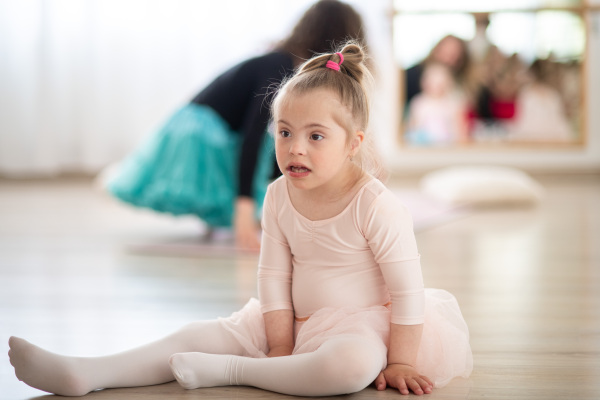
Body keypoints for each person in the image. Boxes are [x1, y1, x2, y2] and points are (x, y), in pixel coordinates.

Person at [9, 42, 472, 397]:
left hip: (360, 327)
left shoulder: (376, 204)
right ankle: (88, 372)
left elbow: (407, 290)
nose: (295, 148)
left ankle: (234, 373)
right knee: (199, 333)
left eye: (315, 136)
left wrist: (403, 362)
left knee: (349, 367)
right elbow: (273, 276)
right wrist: (278, 342)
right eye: (285, 132)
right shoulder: (278, 195)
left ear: (353, 142)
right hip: (288, 321)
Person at [104, 0, 366, 251]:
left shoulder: (286, 67)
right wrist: (244, 208)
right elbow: (252, 136)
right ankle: (238, 212)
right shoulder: (279, 66)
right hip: (199, 132)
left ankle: (234, 215)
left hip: (210, 127)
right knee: (270, 145)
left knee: (282, 142)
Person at [406, 62, 469, 145]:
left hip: (449, 148)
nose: (435, 86)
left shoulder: (453, 104)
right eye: (432, 82)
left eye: (439, 83)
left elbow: (460, 131)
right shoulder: (419, 103)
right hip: (424, 149)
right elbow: (411, 128)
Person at [404, 35, 470, 109]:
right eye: (446, 53)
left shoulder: (459, 88)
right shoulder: (412, 75)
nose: (448, 60)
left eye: (454, 57)